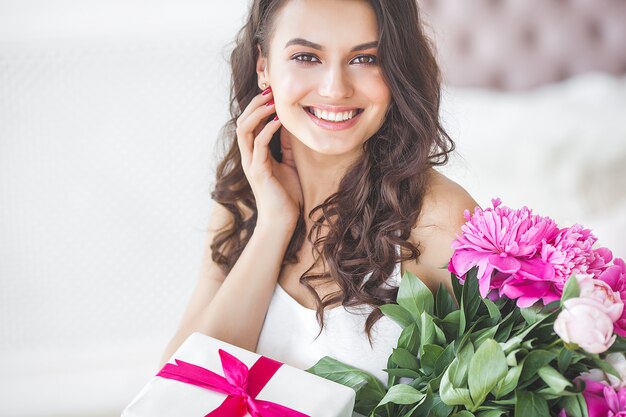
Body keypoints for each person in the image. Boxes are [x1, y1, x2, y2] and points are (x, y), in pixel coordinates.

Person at [160, 0, 478, 386]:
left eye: (365, 59)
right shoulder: (242, 202)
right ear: (264, 67)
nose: (334, 89)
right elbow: (182, 390)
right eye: (306, 56)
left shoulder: (439, 218)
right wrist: (275, 224)